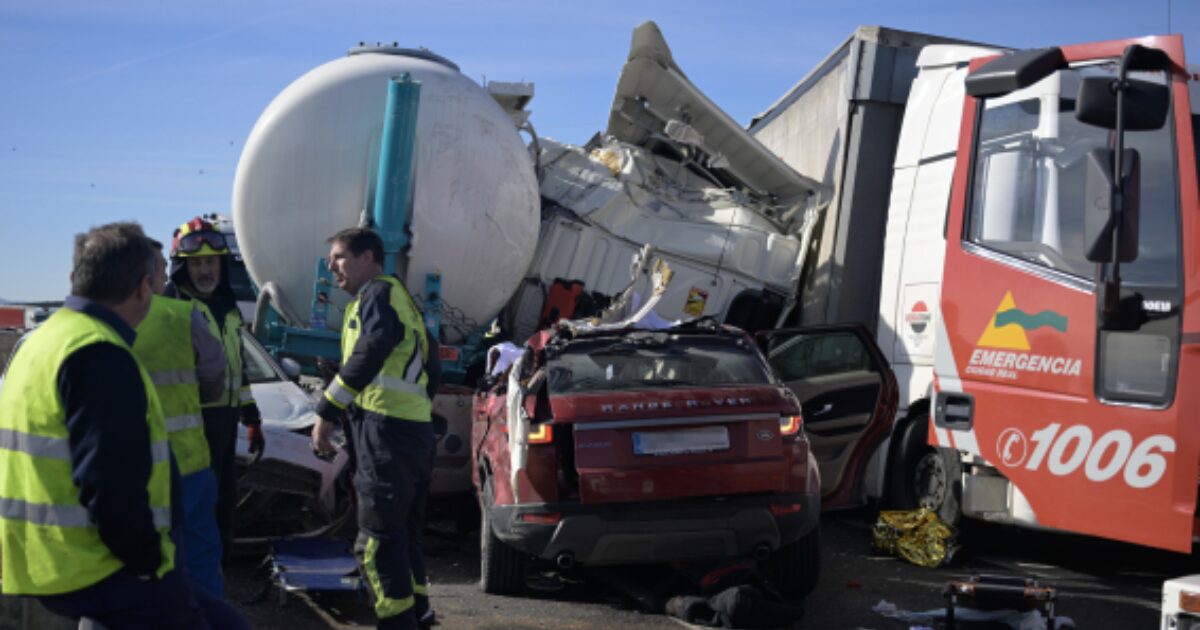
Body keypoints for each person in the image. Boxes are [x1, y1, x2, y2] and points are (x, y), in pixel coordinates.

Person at [0, 222, 246, 628]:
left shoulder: (39, 341)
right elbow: (109, 484)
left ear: (73, 279)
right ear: (144, 288)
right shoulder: (98, 352)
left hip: (44, 558)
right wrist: (148, 563)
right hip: (97, 566)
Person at [312, 227, 436, 630]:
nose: (331, 268)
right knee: (403, 536)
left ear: (368, 257)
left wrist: (328, 407)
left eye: (339, 258)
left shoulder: (377, 295)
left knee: (378, 542)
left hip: (385, 433)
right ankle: (418, 616)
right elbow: (431, 369)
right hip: (411, 432)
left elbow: (374, 346)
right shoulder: (400, 300)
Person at [164, 216, 265, 558]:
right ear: (183, 267)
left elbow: (239, 368)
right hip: (190, 425)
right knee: (193, 507)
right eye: (197, 264)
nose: (205, 270)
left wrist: (252, 417)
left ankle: (217, 572)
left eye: (211, 262)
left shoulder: (228, 308)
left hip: (225, 421)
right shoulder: (174, 308)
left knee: (223, 500)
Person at [135, 241, 229, 597]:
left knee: (138, 560)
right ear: (153, 276)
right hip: (185, 463)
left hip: (127, 468)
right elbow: (214, 375)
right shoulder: (181, 315)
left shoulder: (96, 319)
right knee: (199, 556)